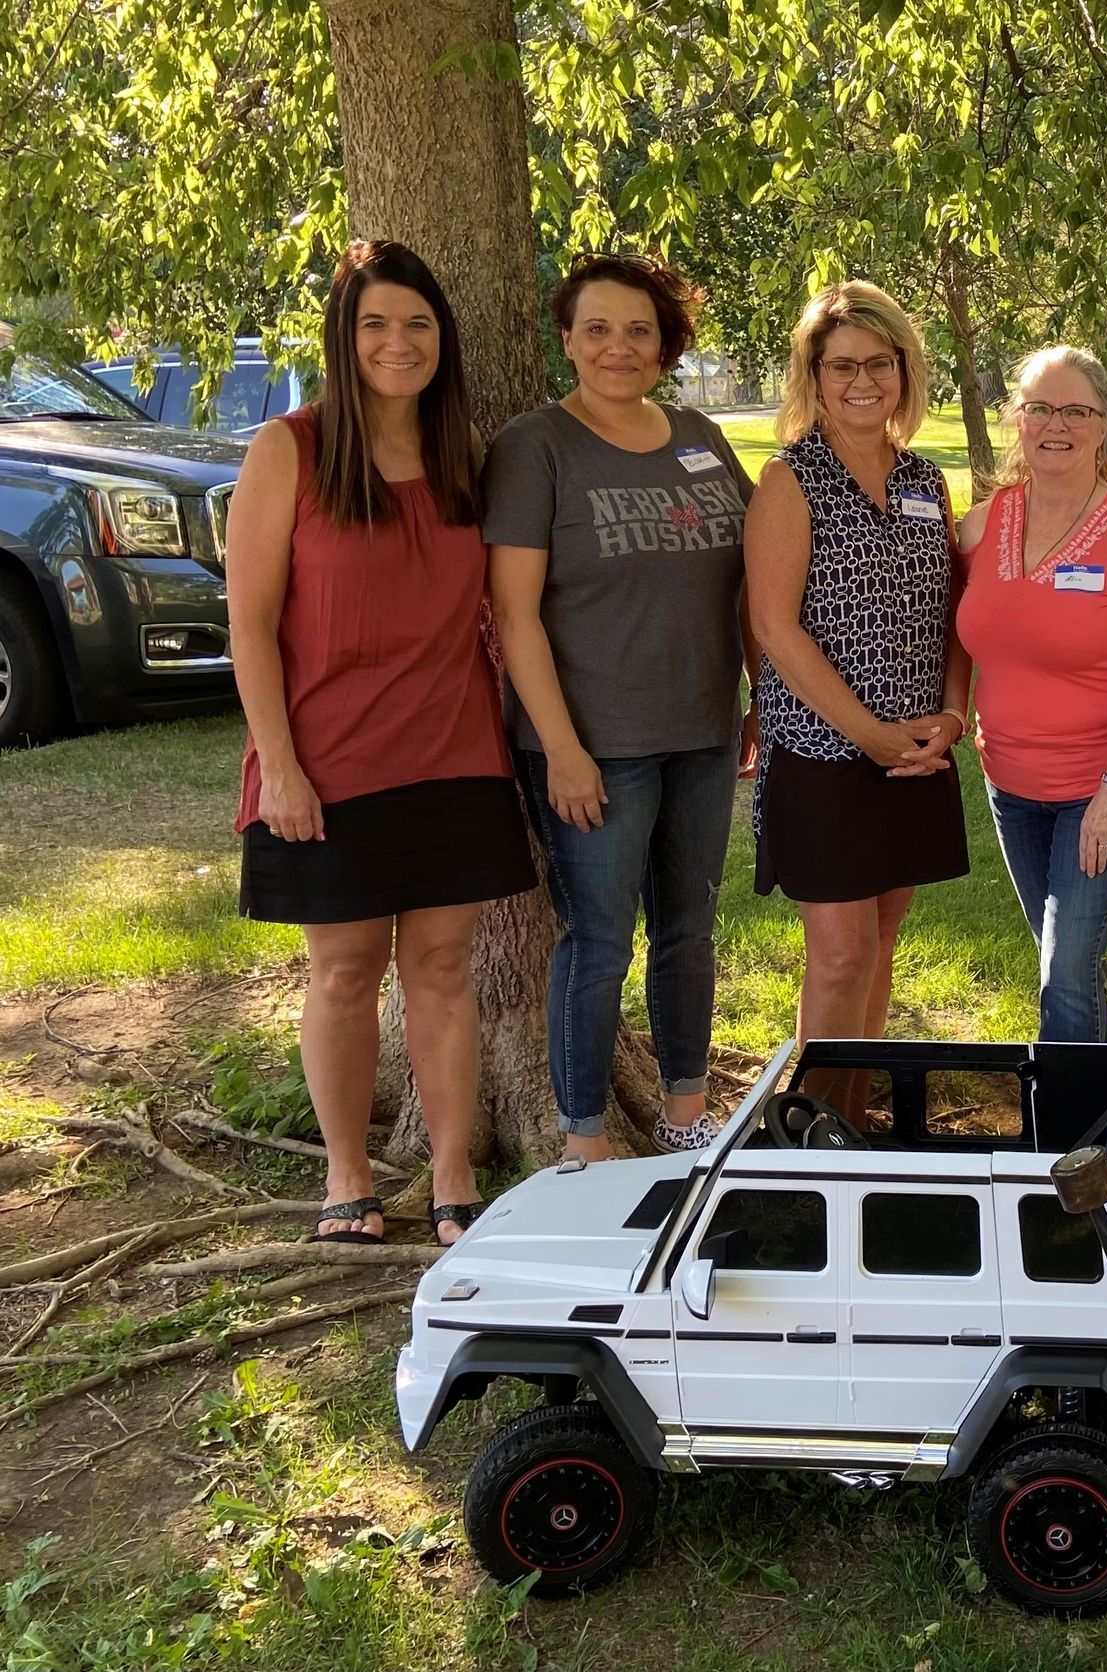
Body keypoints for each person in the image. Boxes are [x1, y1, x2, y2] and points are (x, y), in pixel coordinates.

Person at [227, 240, 534, 1246]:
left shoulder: (465, 457)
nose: (397, 343)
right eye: (374, 324)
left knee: (442, 971)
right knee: (344, 972)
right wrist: (278, 762)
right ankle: (347, 1182)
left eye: (416, 324)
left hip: (453, 754)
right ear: (344, 339)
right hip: (326, 765)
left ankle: (451, 1183)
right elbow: (249, 623)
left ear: (441, 339)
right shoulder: (292, 449)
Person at [486, 253, 757, 1159]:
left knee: (689, 930)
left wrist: (755, 696)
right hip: (596, 746)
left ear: (664, 342)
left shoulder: (700, 436)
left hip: (705, 733)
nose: (618, 347)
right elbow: (514, 615)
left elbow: (748, 576)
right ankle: (581, 1137)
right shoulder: (536, 447)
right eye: (596, 328)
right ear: (566, 338)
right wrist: (561, 749)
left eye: (638, 329)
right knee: (598, 940)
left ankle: (684, 1115)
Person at [745, 281, 969, 1118]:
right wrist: (868, 735)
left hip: (916, 755)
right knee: (838, 954)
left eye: (880, 362)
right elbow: (775, 628)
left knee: (878, 944)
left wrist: (951, 716)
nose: (863, 380)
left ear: (905, 370)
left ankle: (852, 1107)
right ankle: (813, 1122)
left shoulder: (925, 480)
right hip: (825, 753)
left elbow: (954, 611)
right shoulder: (789, 478)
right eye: (842, 365)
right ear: (815, 375)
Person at [953, 347, 1107, 1042]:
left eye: (1077, 411)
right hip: (1012, 785)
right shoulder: (983, 521)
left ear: (1105, 425)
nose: (1057, 425)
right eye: (1039, 408)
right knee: (1067, 962)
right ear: (1018, 421)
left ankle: (1065, 1134)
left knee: (1064, 966)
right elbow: (956, 633)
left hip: (1105, 786)